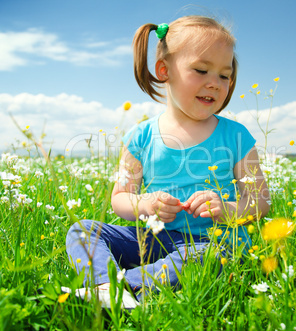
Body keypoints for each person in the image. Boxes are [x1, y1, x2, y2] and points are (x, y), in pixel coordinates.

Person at [65, 15, 270, 309]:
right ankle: (103, 286)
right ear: (164, 70)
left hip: (209, 243)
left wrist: (226, 209)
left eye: (225, 75)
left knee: (205, 259)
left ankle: (124, 289)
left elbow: (261, 201)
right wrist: (146, 203)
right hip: (153, 237)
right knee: (84, 230)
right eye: (201, 70)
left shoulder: (236, 136)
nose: (215, 83)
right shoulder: (140, 136)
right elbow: (120, 200)